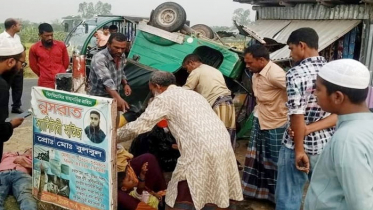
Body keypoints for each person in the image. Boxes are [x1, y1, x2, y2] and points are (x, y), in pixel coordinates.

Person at [117, 71, 243, 210]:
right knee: (214, 187)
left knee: (180, 193)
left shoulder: (164, 98)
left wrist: (113, 136)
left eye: (151, 88)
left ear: (157, 86)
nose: (152, 92)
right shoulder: (193, 94)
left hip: (200, 149)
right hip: (223, 144)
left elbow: (137, 128)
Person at [275, 28, 337, 210]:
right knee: (323, 195)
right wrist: (309, 129)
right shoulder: (331, 71)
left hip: (296, 144)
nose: (290, 53)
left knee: (289, 197)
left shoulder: (295, 73)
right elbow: (338, 114)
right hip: (324, 145)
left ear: (302, 46)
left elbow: (297, 113)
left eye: (291, 48)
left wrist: (299, 150)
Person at [304, 59, 373, 210]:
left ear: (337, 97)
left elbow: (362, 203)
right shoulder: (366, 124)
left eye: (318, 89)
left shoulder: (348, 139)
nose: (315, 93)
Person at [241, 44, 287, 203]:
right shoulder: (256, 73)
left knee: (274, 162)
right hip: (260, 118)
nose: (247, 66)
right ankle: (257, 193)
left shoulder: (276, 74)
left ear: (261, 60)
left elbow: (297, 93)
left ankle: (277, 198)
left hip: (276, 123)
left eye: (249, 62)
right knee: (257, 158)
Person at [182, 54, 236, 147]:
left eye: (187, 67)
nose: (187, 71)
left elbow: (187, 89)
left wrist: (173, 91)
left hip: (218, 103)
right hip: (228, 102)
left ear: (191, 63)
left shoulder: (196, 71)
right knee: (227, 133)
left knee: (217, 135)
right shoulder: (214, 70)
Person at [89, 33, 132, 112]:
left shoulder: (121, 56)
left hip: (114, 96)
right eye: (116, 47)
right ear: (108, 44)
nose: (120, 51)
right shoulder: (100, 58)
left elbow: (121, 71)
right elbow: (107, 81)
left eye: (123, 48)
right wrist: (118, 98)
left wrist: (125, 84)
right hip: (99, 99)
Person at [0, 36, 26, 160]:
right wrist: (11, 125)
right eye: (22, 63)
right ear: (11, 62)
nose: (21, 68)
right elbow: (1, 130)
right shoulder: (1, 86)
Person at [29, 23, 69, 89]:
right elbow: (33, 65)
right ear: (40, 35)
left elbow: (66, 63)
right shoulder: (34, 48)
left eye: (51, 35)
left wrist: (60, 73)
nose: (50, 37)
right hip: (45, 82)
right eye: (47, 36)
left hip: (62, 80)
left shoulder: (61, 45)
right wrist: (43, 74)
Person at [0, 18, 24, 114]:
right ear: (13, 26)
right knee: (5, 88)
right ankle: (3, 108)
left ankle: (16, 106)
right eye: (19, 24)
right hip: (8, 67)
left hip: (17, 66)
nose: (20, 26)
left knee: (18, 87)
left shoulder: (17, 37)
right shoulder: (1, 38)